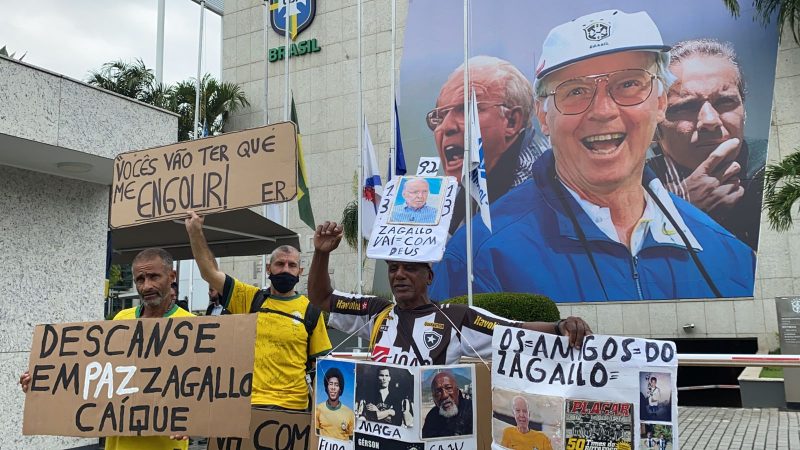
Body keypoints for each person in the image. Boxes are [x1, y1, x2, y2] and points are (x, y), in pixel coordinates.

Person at [430, 9, 755, 302]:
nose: (602, 111)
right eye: (575, 91)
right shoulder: (477, 258)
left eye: (628, 83)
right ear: (544, 118)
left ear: (659, 104)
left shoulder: (729, 257)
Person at [308, 220, 591, 367]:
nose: (399, 275)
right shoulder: (374, 312)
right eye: (393, 268)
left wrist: (559, 327)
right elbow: (321, 299)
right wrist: (321, 254)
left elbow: (513, 331)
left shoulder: (457, 317)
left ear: (429, 276)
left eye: (410, 268)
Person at [20, 248, 191, 450]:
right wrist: (44, 382)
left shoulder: (192, 327)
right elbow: (93, 374)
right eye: (140, 279)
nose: (147, 286)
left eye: (154, 277)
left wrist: (195, 421)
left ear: (171, 276)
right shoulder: (120, 320)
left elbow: (205, 393)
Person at [185, 210, 332, 410]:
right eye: (280, 264)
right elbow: (209, 272)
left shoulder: (311, 310)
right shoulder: (249, 298)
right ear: (268, 269)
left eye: (292, 265)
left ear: (300, 272)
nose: (286, 270)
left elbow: (321, 367)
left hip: (295, 409)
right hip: (250, 406)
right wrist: (195, 232)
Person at [647, 38, 765, 250]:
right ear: (654, 128)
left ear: (744, 112)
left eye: (725, 102)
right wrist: (682, 212)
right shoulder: (628, 190)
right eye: (687, 106)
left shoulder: (777, 170)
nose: (710, 120)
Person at [427, 56, 548, 234]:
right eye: (440, 116)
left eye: (467, 110)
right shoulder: (462, 197)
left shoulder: (538, 193)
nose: (445, 127)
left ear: (512, 121)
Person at [421, 371, 472, 438]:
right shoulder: (431, 417)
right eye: (438, 392)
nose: (444, 395)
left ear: (457, 391)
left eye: (448, 388)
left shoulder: (472, 409)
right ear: (434, 399)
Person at [316, 367, 354, 440]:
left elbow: (352, 440)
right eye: (330, 384)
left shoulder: (350, 413)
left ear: (340, 389)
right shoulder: (318, 409)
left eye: (336, 385)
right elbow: (315, 437)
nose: (333, 388)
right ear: (327, 387)